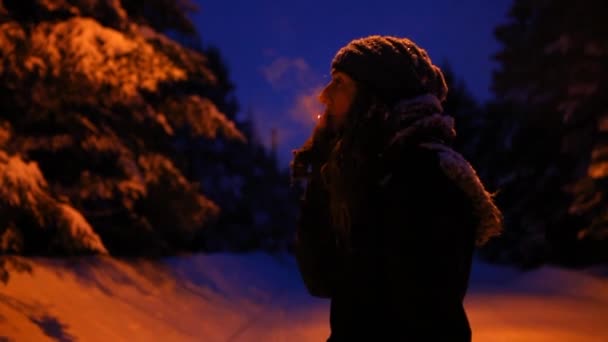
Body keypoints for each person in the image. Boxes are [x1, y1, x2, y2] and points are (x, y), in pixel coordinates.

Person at [290, 35, 503, 341]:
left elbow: (426, 316)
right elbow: (321, 278)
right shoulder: (364, 172)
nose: (324, 95)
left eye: (340, 83)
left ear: (376, 95)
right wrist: (325, 169)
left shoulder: (427, 176)